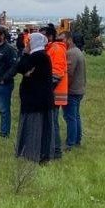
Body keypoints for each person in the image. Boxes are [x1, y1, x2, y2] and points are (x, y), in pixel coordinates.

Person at [15, 32, 57, 163]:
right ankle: (36, 153)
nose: (27, 44)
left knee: (35, 128)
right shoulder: (41, 56)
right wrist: (27, 71)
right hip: (38, 99)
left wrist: (25, 54)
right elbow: (23, 70)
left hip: (36, 100)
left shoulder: (38, 56)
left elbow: (21, 67)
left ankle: (34, 153)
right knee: (38, 127)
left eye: (29, 42)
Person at [43, 24, 68, 159]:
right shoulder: (51, 48)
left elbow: (57, 73)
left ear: (50, 37)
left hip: (55, 92)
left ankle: (56, 151)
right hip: (53, 91)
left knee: (53, 122)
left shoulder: (56, 49)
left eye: (43, 36)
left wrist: (46, 89)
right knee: (51, 122)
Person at [64, 32, 87, 150]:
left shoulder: (71, 53)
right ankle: (77, 140)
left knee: (70, 117)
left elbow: (70, 73)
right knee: (76, 116)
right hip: (79, 89)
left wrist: (65, 88)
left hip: (72, 90)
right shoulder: (79, 52)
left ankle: (70, 142)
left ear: (70, 40)